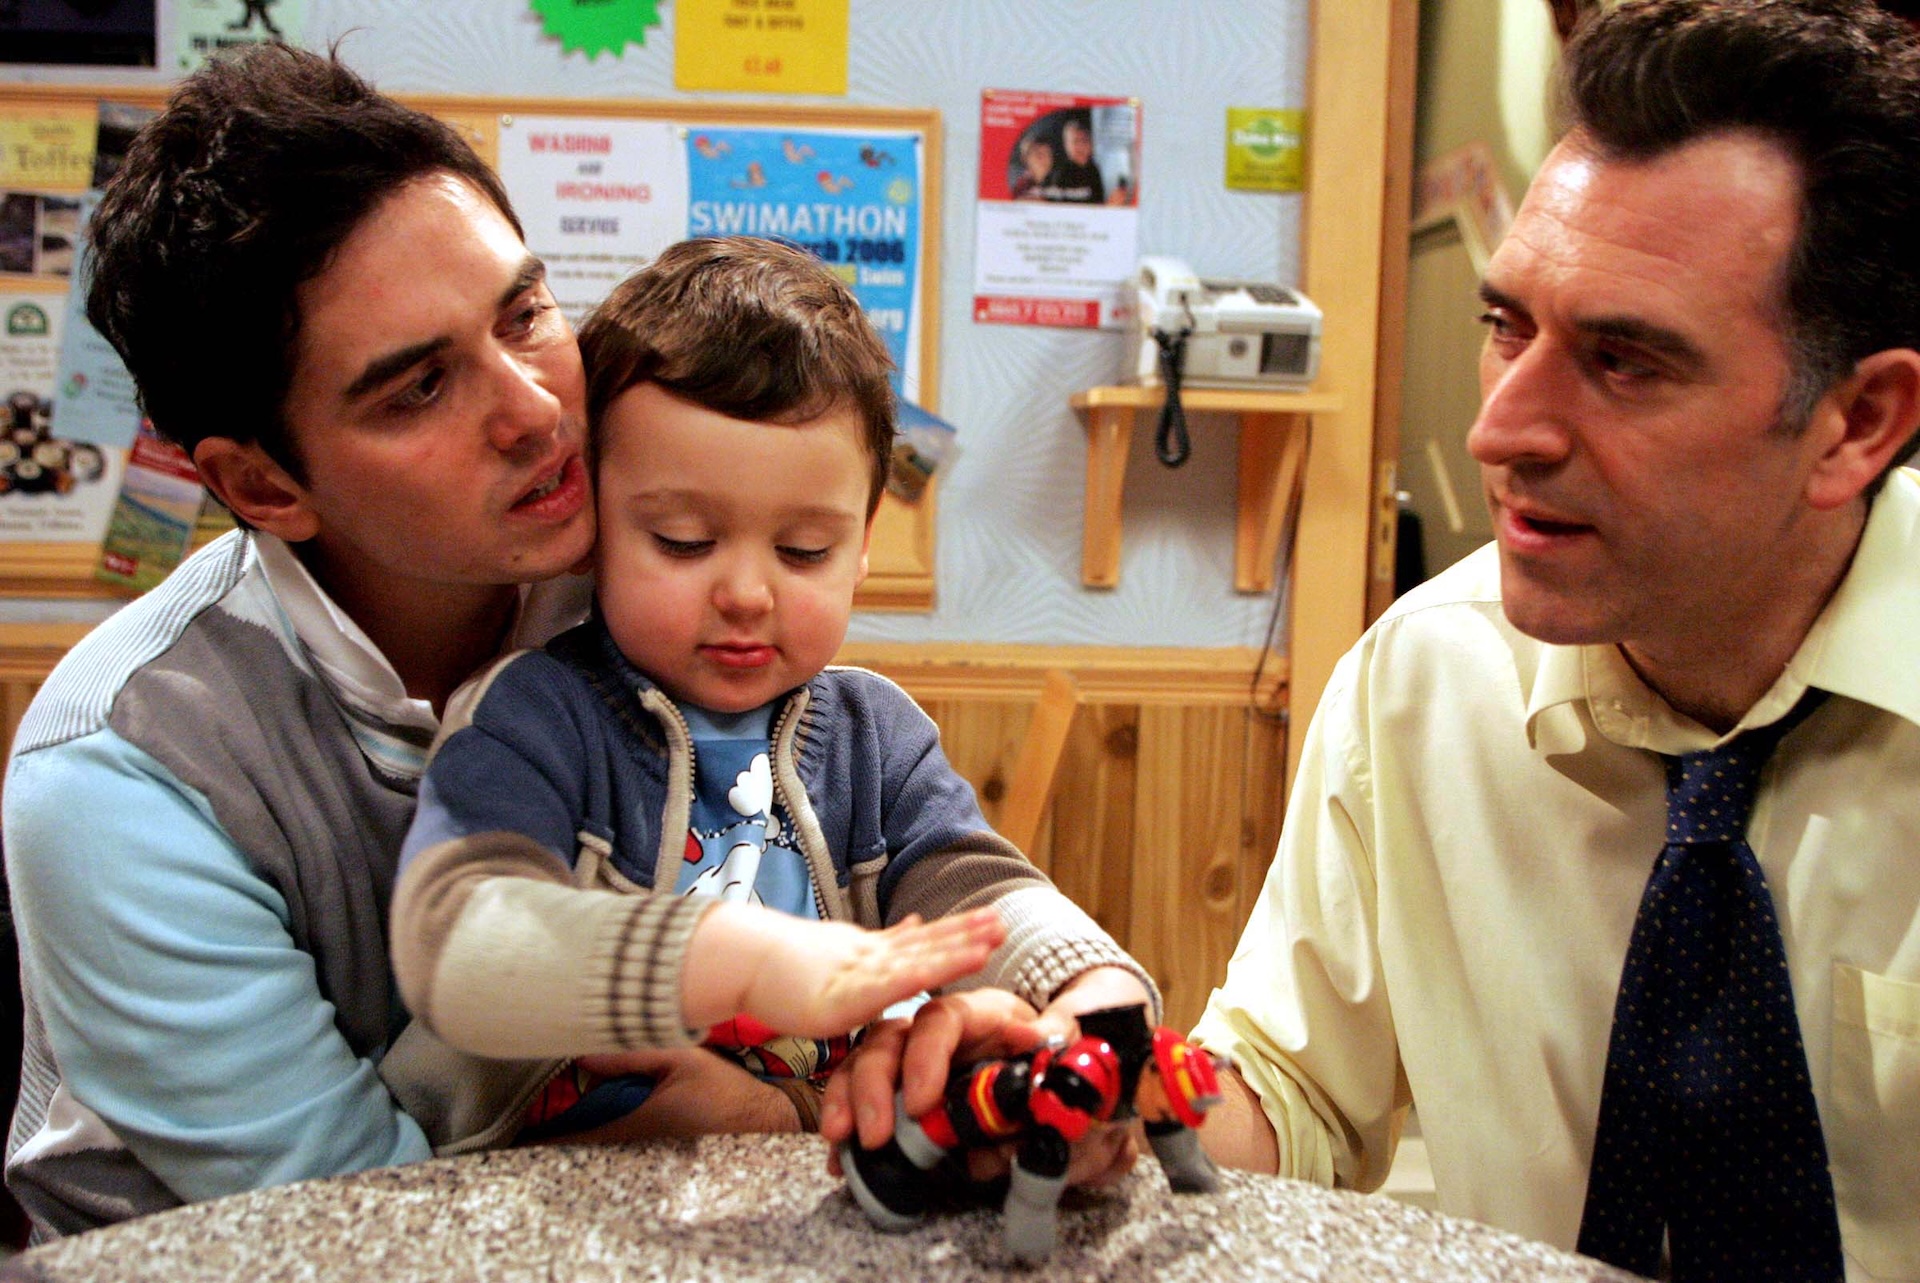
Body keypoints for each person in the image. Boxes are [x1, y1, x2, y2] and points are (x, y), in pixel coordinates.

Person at [1190, 2, 1920, 1280]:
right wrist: (1107, 1099)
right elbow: (1288, 1088)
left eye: (1625, 359)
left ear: (1858, 421)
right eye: (1506, 325)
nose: (1500, 430)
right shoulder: (1421, 680)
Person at [2, 44, 603, 1240]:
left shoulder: (644, 587)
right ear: (264, 484)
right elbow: (355, 1229)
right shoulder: (120, 767)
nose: (534, 407)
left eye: (525, 313)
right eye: (420, 388)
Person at [387, 236, 1159, 1149]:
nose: (748, 594)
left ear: (865, 540)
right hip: (525, 1199)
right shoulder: (533, 716)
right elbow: (457, 945)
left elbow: (978, 892)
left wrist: (1089, 983)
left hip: (784, 1176)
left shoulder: (875, 737)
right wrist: (733, 963)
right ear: (594, 516)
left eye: (803, 551)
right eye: (680, 538)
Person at [1044, 118, 1105, 205]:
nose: (1080, 146)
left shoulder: (1094, 170)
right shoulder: (1060, 175)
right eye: (1075, 141)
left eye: (1084, 140)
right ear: (1066, 146)